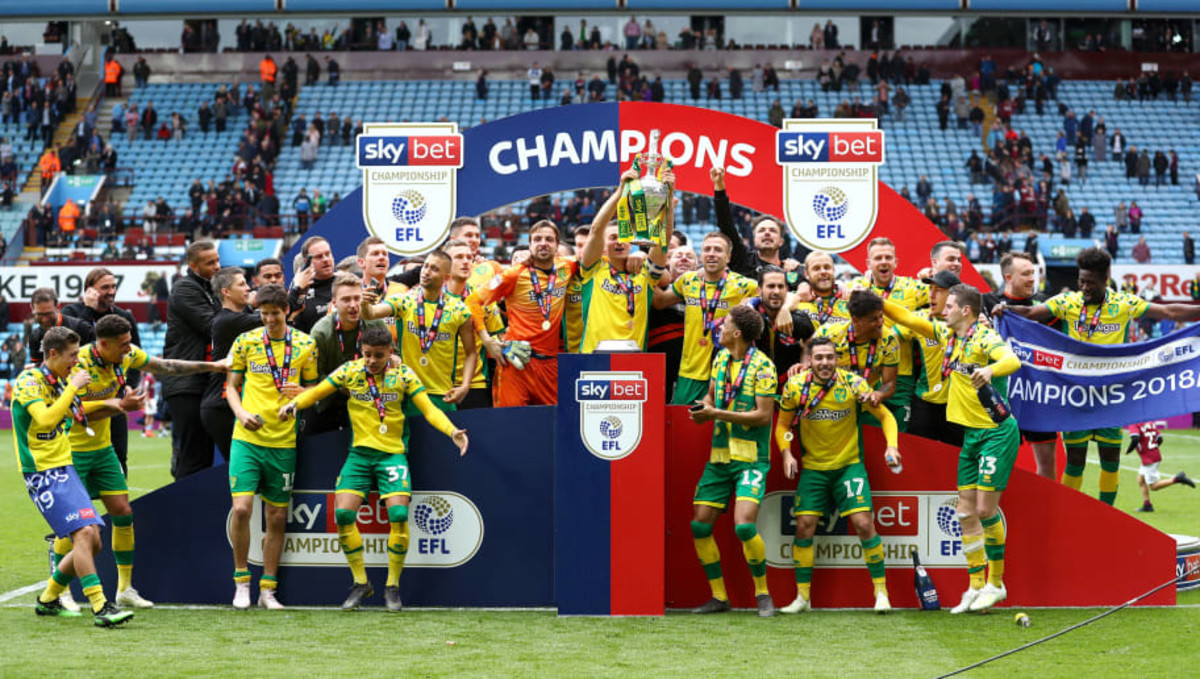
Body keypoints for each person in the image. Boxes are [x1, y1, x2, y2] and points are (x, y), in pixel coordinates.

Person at [279, 325, 469, 611]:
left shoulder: (403, 375)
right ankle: (361, 583)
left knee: (399, 514)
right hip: (359, 455)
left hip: (392, 455)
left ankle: (392, 586)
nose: (371, 360)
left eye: (378, 355)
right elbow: (317, 392)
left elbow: (429, 409)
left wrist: (452, 431)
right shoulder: (350, 371)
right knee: (343, 514)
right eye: (367, 354)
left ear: (390, 352)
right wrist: (294, 404)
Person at [998, 247, 1200, 505]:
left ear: (1106, 279)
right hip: (1075, 395)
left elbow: (1169, 312)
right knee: (1075, 461)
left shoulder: (1123, 303)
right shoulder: (1068, 302)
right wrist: (1005, 310)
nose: (1084, 287)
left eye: (1090, 283)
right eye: (1081, 281)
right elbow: (1030, 314)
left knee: (1110, 460)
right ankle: (1068, 511)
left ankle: (1107, 515)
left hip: (1111, 395)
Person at [59, 314, 226, 611]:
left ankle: (124, 588)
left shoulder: (126, 355)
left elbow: (165, 366)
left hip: (103, 450)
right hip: (72, 451)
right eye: (123, 344)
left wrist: (214, 366)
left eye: (129, 343)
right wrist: (115, 405)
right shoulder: (78, 363)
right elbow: (70, 409)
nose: (129, 348)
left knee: (123, 513)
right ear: (103, 344)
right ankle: (61, 591)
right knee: (73, 522)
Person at [883, 283, 1022, 613]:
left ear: (965, 311)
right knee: (964, 512)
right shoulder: (948, 336)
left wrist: (989, 369)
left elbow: (1012, 360)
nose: (943, 309)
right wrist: (874, 298)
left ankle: (996, 584)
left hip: (996, 433)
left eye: (950, 306)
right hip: (971, 434)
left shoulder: (984, 338)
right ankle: (975, 585)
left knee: (985, 510)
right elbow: (906, 317)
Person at [16, 327, 133, 626]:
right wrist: (73, 387)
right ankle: (100, 606)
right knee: (83, 534)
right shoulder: (29, 382)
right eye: (71, 356)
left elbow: (74, 412)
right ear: (53, 353)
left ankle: (49, 598)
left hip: (65, 467)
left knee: (93, 540)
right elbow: (46, 418)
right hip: (41, 473)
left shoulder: (58, 382)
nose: (76, 361)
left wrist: (115, 404)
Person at [776, 336, 899, 614]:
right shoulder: (795, 387)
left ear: (837, 359)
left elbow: (886, 417)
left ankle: (881, 593)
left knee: (863, 523)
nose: (825, 363)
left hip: (848, 467)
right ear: (809, 360)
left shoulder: (854, 385)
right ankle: (802, 598)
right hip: (813, 469)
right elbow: (783, 426)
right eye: (819, 357)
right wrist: (786, 452)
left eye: (830, 357)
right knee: (804, 526)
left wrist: (891, 445)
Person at [224, 284, 320, 610]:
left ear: (286, 312)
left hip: (283, 441)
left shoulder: (306, 344)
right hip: (247, 438)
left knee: (277, 517)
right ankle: (241, 582)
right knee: (241, 509)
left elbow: (314, 389)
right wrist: (240, 414)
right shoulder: (246, 341)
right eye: (263, 314)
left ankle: (268, 589)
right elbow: (232, 386)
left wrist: (300, 397)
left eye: (274, 314)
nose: (268, 320)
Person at [685, 305, 778, 617]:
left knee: (744, 526)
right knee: (700, 524)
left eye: (724, 324)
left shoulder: (764, 368)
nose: (719, 328)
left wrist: (716, 414)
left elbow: (763, 416)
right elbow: (711, 395)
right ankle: (719, 597)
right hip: (720, 457)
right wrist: (704, 408)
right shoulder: (720, 358)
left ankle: (763, 594)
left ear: (736, 333)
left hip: (751, 459)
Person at [466, 221, 576, 407]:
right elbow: (472, 301)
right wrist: (487, 340)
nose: (543, 243)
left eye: (549, 239)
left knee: (553, 421)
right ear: (530, 245)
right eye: (537, 239)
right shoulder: (513, 275)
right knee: (511, 421)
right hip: (516, 361)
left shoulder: (567, 267)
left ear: (557, 245)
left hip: (550, 365)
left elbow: (591, 254)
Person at [653, 231, 759, 405]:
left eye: (718, 250)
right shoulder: (688, 281)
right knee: (683, 419)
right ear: (701, 256)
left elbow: (776, 293)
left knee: (720, 421)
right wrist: (647, 274)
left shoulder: (743, 285)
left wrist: (784, 306)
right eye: (707, 249)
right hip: (689, 371)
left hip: (725, 372)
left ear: (728, 257)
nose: (711, 253)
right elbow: (660, 302)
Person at [364, 250, 477, 409]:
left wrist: (465, 386)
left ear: (446, 278)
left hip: (443, 395)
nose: (426, 272)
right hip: (408, 394)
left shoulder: (459, 310)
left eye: (434, 269)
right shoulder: (404, 301)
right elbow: (370, 314)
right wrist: (363, 303)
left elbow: (471, 352)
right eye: (425, 266)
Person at [578, 168, 673, 352]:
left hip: (634, 359)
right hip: (593, 358)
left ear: (631, 243)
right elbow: (596, 229)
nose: (619, 241)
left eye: (624, 237)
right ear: (603, 245)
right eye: (612, 237)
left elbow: (663, 241)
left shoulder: (645, 273)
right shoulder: (593, 269)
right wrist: (621, 191)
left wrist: (668, 196)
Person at [981, 253, 1058, 479]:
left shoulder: (1044, 305)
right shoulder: (986, 303)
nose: (1032, 278)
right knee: (995, 460)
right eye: (1025, 274)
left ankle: (1044, 502)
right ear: (1008, 277)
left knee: (1046, 462)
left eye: (1033, 273)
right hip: (1001, 394)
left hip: (1037, 395)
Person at [62, 267, 143, 476]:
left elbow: (135, 355)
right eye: (105, 287)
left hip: (114, 399)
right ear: (89, 290)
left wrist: (129, 385)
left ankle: (118, 494)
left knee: (119, 456)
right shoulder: (70, 313)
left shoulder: (124, 316)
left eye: (114, 286)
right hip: (82, 402)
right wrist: (88, 309)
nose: (111, 291)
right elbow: (75, 348)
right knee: (74, 461)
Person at [850, 238, 928, 430]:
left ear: (896, 262)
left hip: (902, 375)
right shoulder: (856, 288)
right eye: (878, 258)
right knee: (871, 434)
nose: (883, 262)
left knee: (901, 435)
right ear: (868, 263)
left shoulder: (913, 288)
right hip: (867, 373)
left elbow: (945, 299)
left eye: (888, 257)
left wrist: (902, 329)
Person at [163, 241, 222, 480]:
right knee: (193, 456)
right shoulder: (185, 288)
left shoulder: (210, 288)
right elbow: (213, 326)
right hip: (185, 382)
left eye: (217, 260)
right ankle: (184, 500)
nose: (217, 266)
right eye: (210, 263)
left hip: (203, 380)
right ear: (193, 266)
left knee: (203, 454)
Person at [308, 272, 386, 433]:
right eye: (346, 300)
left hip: (371, 399)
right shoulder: (321, 333)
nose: (353, 305)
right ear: (334, 303)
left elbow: (393, 357)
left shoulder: (375, 322)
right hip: (331, 405)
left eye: (357, 298)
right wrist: (341, 386)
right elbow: (315, 376)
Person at [201, 267, 263, 461]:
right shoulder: (227, 320)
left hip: (231, 402)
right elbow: (273, 318)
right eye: (241, 284)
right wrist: (296, 290)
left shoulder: (235, 318)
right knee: (241, 467)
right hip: (221, 405)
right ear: (226, 292)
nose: (248, 288)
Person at [813, 291, 899, 426]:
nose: (880, 323)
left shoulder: (889, 340)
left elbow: (889, 383)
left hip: (866, 405)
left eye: (881, 316)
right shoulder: (828, 334)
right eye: (873, 319)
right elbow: (808, 354)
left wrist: (879, 394)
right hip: (831, 404)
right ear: (855, 320)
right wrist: (804, 363)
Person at [900, 270, 965, 446]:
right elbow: (890, 335)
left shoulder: (968, 321)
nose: (931, 295)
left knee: (955, 456)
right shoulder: (920, 318)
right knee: (921, 454)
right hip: (925, 402)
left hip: (957, 405)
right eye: (930, 289)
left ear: (953, 296)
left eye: (938, 290)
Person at [443, 238, 503, 410]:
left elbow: (498, 336)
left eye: (469, 257)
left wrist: (504, 346)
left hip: (476, 385)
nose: (465, 262)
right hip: (439, 383)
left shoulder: (483, 300)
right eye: (459, 257)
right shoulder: (431, 299)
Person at [747, 266, 814, 385]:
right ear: (759, 291)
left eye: (780, 286)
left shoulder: (799, 319)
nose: (776, 291)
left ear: (786, 290)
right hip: (754, 383)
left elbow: (810, 343)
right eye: (771, 286)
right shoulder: (749, 316)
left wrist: (804, 364)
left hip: (789, 384)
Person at [1126, 420, 1195, 513]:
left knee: (1153, 486)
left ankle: (1177, 479)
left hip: (1149, 459)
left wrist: (1128, 450)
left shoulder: (1134, 424)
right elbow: (1160, 439)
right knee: (1141, 480)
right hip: (1153, 455)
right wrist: (1152, 449)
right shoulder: (1149, 422)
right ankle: (1147, 505)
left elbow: (1135, 439)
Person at [27, 287, 94, 366]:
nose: (44, 319)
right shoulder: (35, 337)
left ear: (58, 307)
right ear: (32, 308)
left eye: (48, 314)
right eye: (39, 314)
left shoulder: (80, 327)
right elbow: (36, 367)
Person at [288, 235, 336, 333]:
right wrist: (296, 289)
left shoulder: (346, 282)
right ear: (306, 261)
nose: (325, 259)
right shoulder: (300, 293)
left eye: (328, 254)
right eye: (319, 257)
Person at [793, 251, 850, 328]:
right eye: (816, 269)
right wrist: (784, 309)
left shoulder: (849, 300)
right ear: (806, 274)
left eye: (827, 267)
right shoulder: (795, 300)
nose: (823, 272)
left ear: (834, 270)